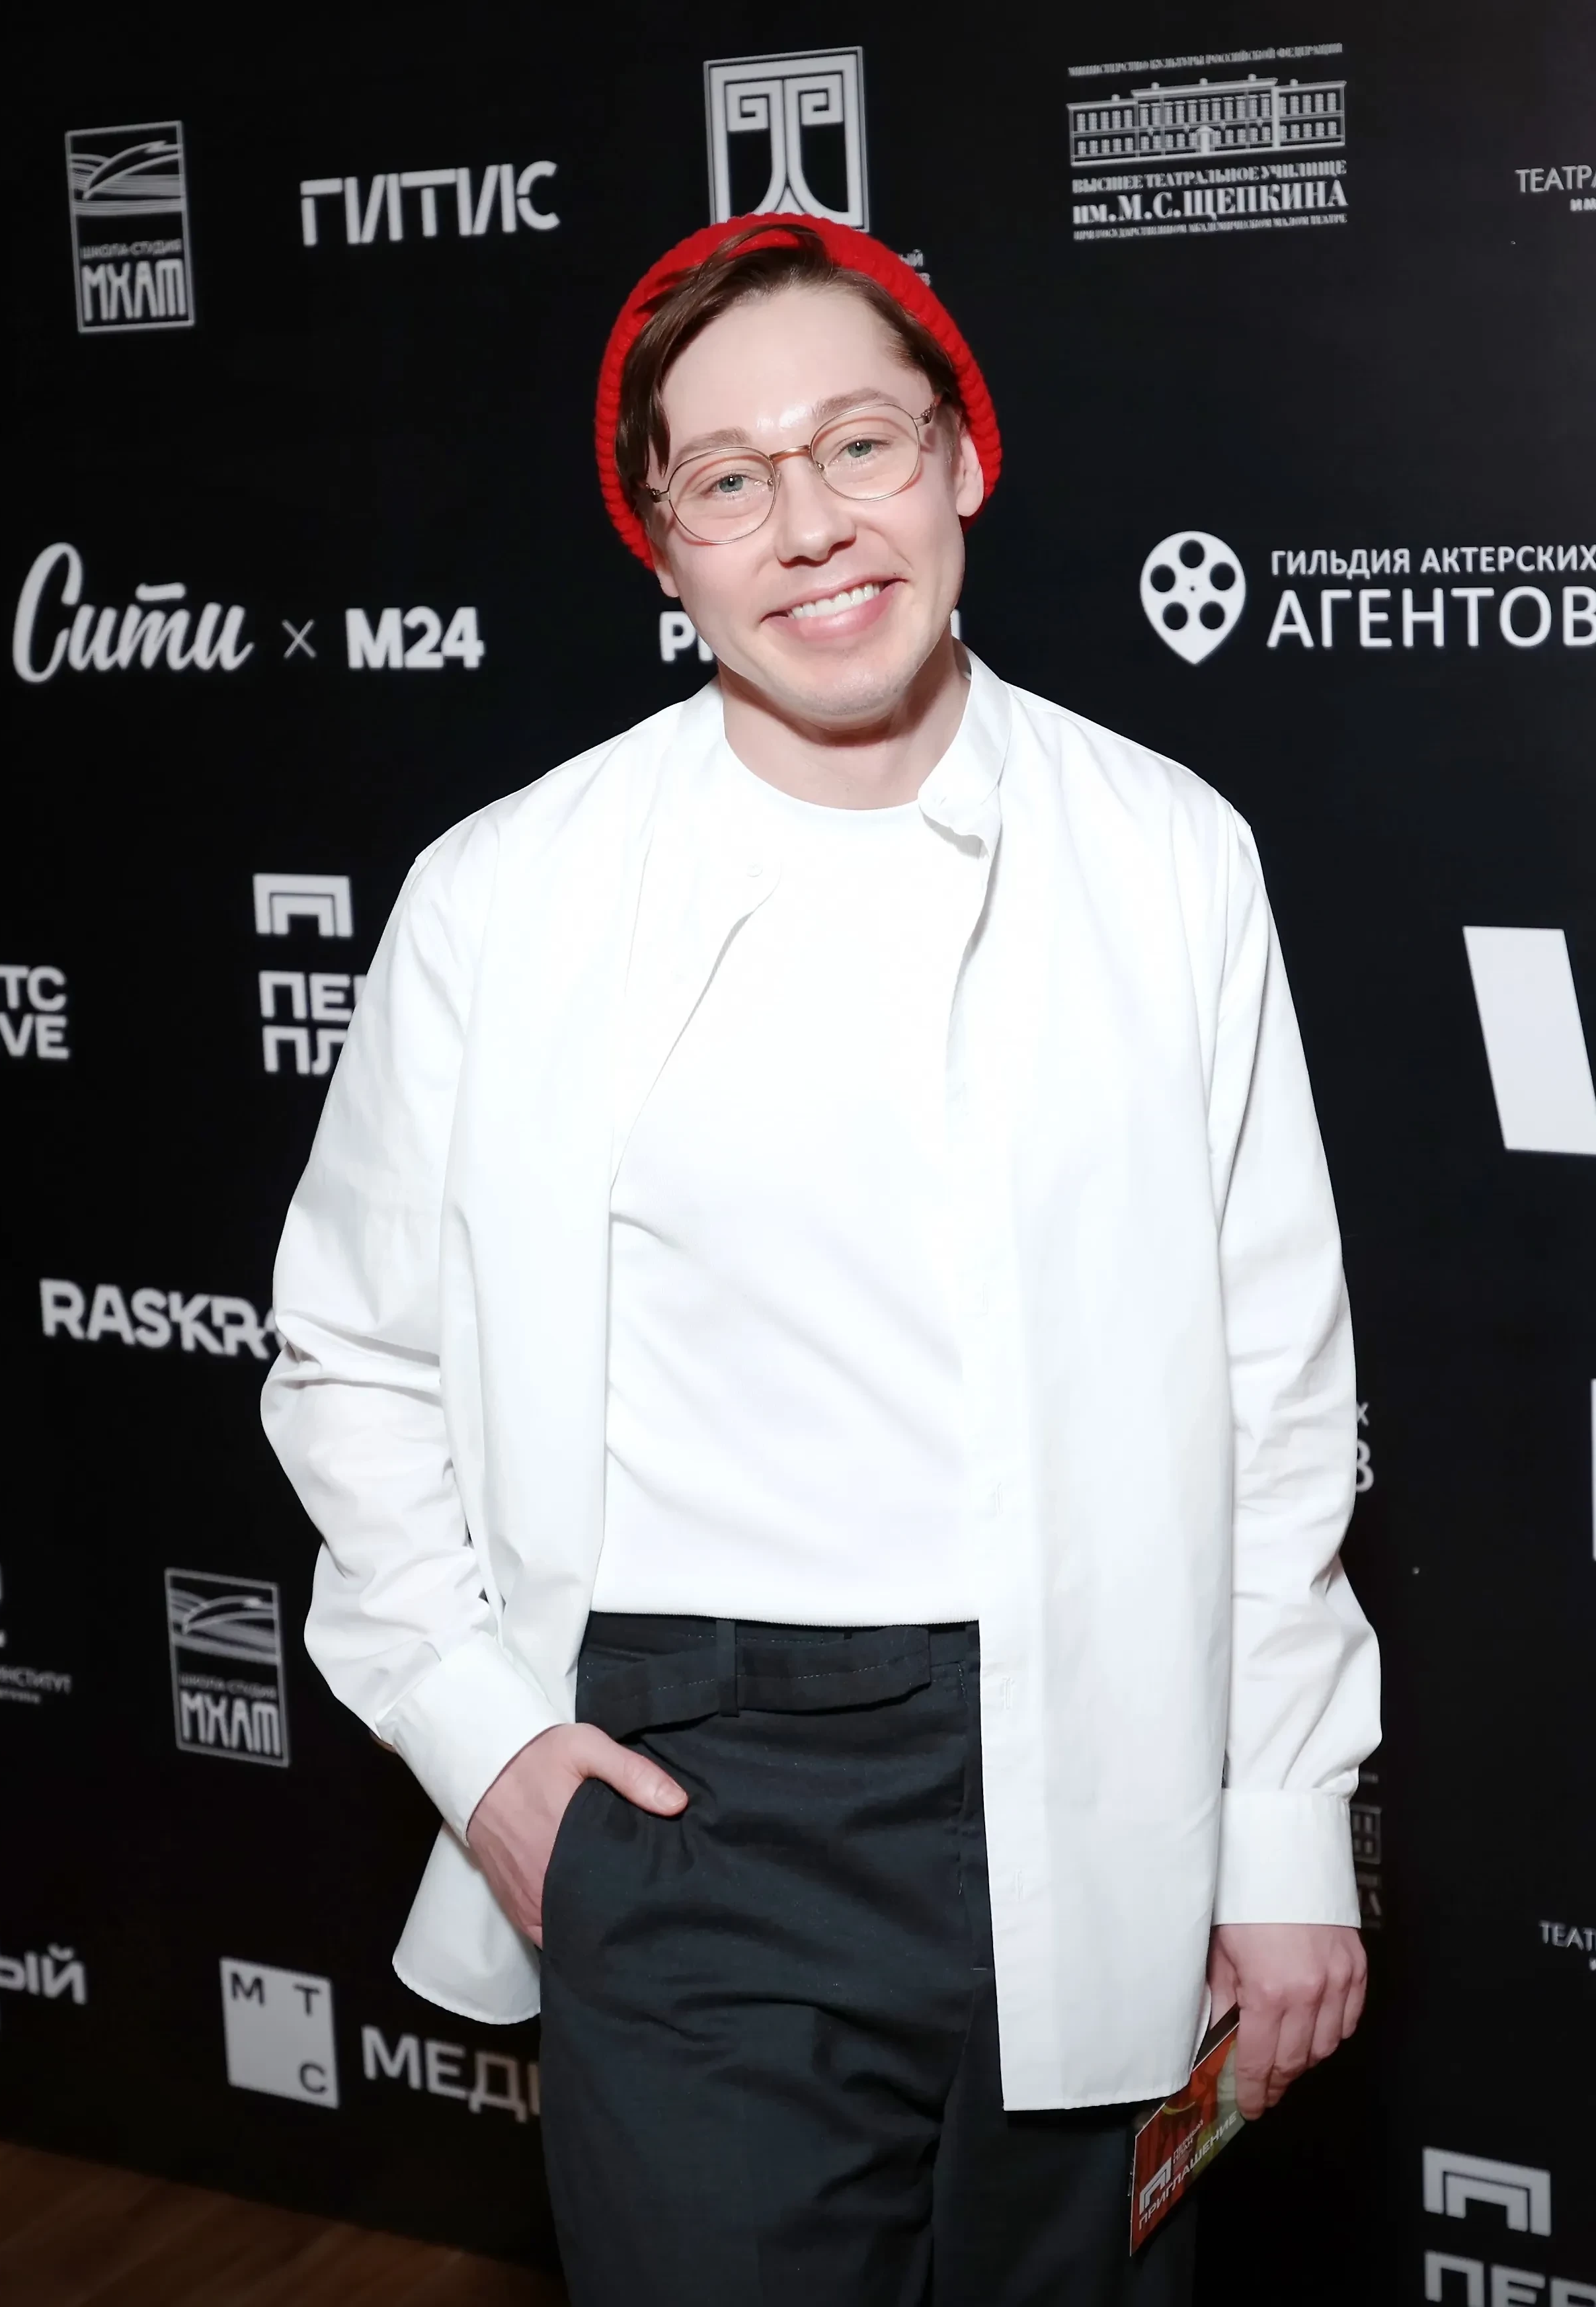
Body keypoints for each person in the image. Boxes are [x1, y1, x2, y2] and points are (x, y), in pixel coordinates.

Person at [260, 214, 1380, 2306]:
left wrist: (1283, 1823)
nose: (811, 526)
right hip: (684, 1789)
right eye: (731, 479)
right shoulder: (503, 899)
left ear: (962, 458)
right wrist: (485, 1743)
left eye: (860, 444)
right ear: (661, 544)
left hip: (1095, 1755)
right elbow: (351, 1359)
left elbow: (1274, 1388)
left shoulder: (1167, 852)